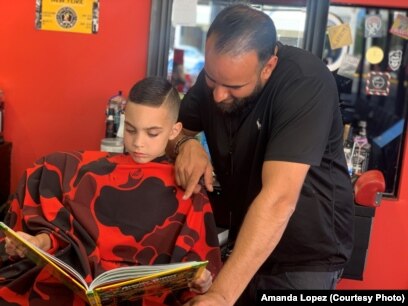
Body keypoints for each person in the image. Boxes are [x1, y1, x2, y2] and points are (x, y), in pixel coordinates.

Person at [168, 4, 355, 306]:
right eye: (212, 79)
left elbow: (280, 198)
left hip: (304, 256)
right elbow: (173, 131)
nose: (218, 95)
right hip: (246, 242)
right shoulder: (217, 77)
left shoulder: (305, 81)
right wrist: (185, 145)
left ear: (267, 67)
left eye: (233, 86)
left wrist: (221, 295)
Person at [0, 77, 222, 306]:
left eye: (152, 133)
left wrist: (201, 282)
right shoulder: (89, 171)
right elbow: (68, 233)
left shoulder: (187, 189)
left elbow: (199, 269)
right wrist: (39, 243)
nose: (138, 143)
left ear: (175, 130)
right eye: (131, 129)